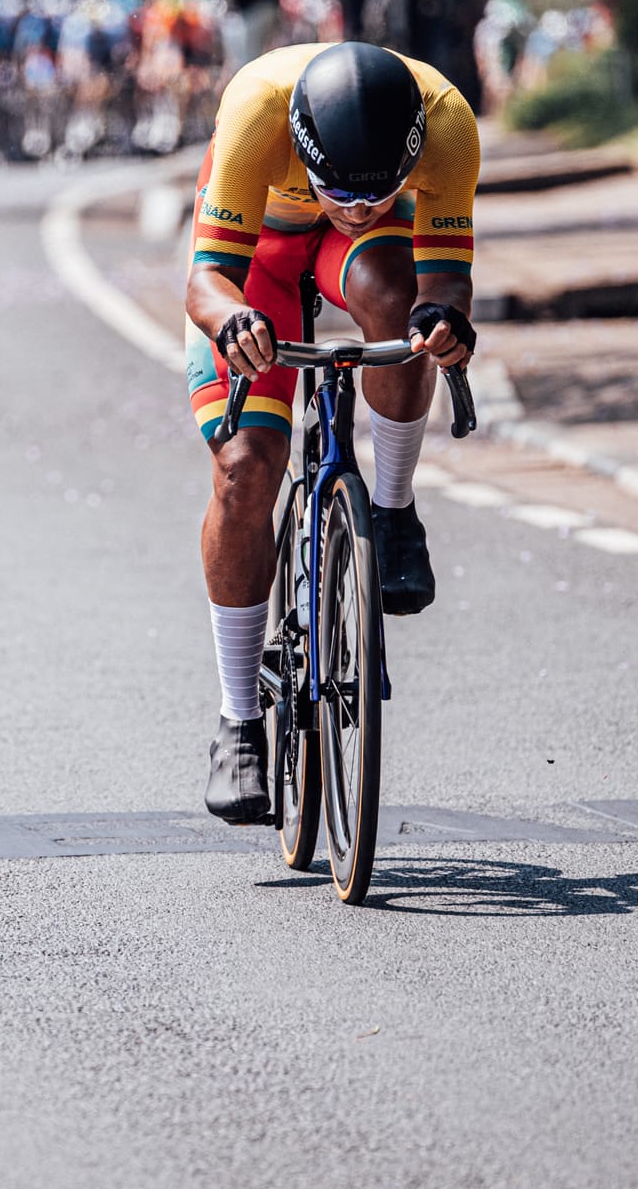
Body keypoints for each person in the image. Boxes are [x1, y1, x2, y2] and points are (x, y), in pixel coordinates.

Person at [184, 41, 480, 824]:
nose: (355, 204)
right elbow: (205, 280)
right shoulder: (257, 109)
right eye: (337, 189)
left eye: (377, 189)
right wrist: (235, 321)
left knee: (398, 299)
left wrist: (443, 319)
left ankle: (391, 507)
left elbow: (446, 271)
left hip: (360, 264)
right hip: (260, 262)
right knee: (246, 469)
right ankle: (238, 718)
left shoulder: (447, 120)